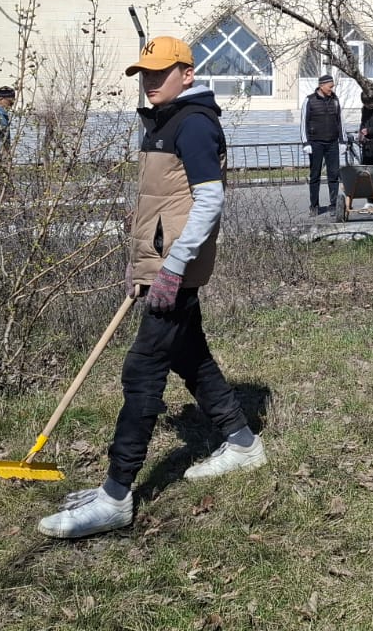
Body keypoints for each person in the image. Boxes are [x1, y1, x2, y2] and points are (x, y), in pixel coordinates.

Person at [38, 35, 264, 539]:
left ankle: (116, 495)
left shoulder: (195, 124)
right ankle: (242, 441)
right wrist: (140, 258)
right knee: (190, 355)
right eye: (145, 73)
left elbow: (209, 202)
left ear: (187, 72)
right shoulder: (164, 121)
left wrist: (170, 266)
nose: (150, 82)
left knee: (142, 371)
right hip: (158, 263)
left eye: (160, 73)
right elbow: (159, 202)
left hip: (174, 269)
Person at [301, 73, 342, 214]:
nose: (331, 89)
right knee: (315, 175)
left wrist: (341, 141)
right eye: (329, 86)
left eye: (332, 86)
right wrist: (306, 143)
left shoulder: (335, 100)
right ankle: (314, 206)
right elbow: (303, 123)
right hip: (315, 143)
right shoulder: (309, 100)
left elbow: (339, 121)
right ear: (321, 85)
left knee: (333, 175)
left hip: (332, 143)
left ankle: (334, 205)